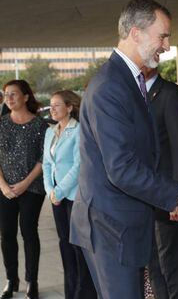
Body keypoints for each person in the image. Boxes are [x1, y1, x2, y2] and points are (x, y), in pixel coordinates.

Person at [69, 0, 178, 299]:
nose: (166, 45)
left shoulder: (129, 81)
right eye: (162, 36)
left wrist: (174, 192)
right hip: (111, 230)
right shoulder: (110, 87)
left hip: (126, 224)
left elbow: (146, 156)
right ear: (136, 33)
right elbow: (121, 168)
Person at [142, 67, 178, 299]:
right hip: (146, 198)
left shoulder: (171, 95)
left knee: (173, 271)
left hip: (168, 202)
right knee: (155, 270)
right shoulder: (136, 95)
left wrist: (177, 198)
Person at [42, 90, 96, 299]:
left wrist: (60, 190)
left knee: (78, 247)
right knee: (64, 244)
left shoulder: (79, 130)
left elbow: (79, 165)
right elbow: (47, 163)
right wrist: (50, 192)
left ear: (69, 107)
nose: (52, 109)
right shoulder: (50, 132)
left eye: (56, 105)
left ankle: (84, 294)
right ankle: (70, 293)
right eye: (50, 105)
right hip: (57, 198)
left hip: (74, 197)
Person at [0, 80, 48, 299]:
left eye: (13, 94)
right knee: (7, 234)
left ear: (26, 97)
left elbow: (43, 158)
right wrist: (3, 185)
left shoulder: (40, 125)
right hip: (4, 189)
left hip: (32, 187)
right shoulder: (1, 124)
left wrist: (25, 183)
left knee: (29, 231)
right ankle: (11, 280)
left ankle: (32, 281)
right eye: (6, 95)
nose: (9, 98)